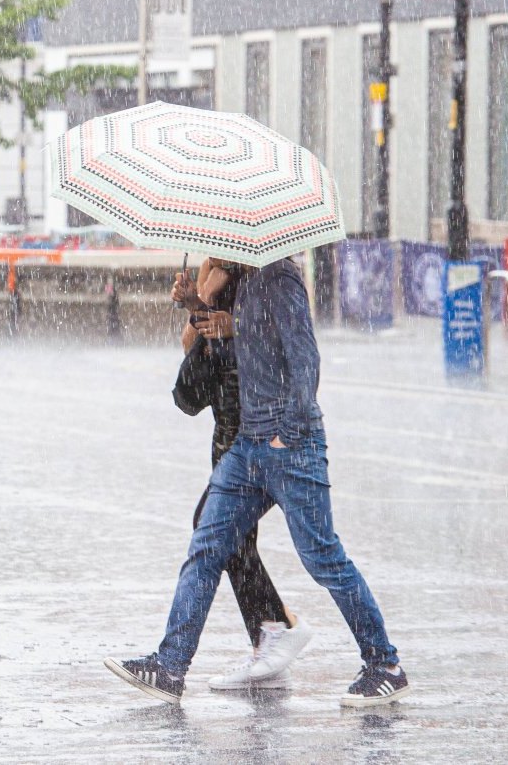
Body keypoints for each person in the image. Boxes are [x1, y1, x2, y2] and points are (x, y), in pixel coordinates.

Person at [105, 257, 409, 707]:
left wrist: (287, 432)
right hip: (247, 447)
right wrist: (197, 306)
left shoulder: (280, 277)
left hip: (291, 447)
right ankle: (170, 667)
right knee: (207, 546)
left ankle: (385, 664)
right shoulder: (247, 282)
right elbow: (238, 356)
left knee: (323, 557)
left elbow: (305, 358)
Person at [171, 257, 311, 691]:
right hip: (225, 418)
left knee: (218, 528)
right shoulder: (215, 265)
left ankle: (276, 630)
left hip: (258, 418)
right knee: (229, 534)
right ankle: (271, 637)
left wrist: (236, 326)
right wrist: (198, 303)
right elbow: (193, 343)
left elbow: (289, 343)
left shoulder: (270, 270)